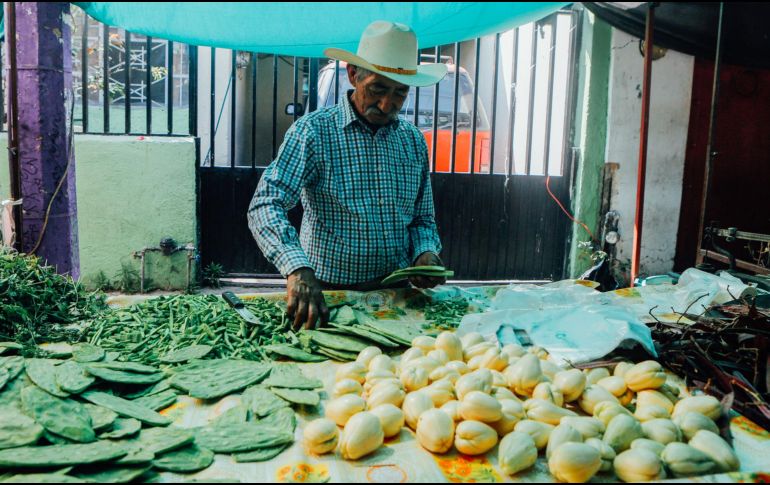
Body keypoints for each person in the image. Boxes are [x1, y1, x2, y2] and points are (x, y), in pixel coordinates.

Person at [248, 20, 448, 330]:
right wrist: (296, 269)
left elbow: (422, 218)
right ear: (353, 74)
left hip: (396, 294)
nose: (387, 104)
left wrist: (425, 252)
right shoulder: (313, 132)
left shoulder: (412, 141)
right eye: (378, 89)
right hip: (327, 295)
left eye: (400, 92)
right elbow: (265, 204)